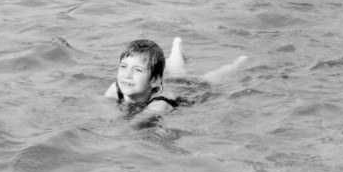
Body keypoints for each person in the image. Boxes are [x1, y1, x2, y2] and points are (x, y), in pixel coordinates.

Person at [103, 38, 247, 117]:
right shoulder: (118, 87)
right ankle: (177, 48)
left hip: (192, 89)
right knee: (176, 71)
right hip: (170, 82)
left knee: (208, 78)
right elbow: (102, 112)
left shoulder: (159, 104)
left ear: (154, 81)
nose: (127, 74)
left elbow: (135, 126)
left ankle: (236, 64)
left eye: (137, 70)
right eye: (123, 67)